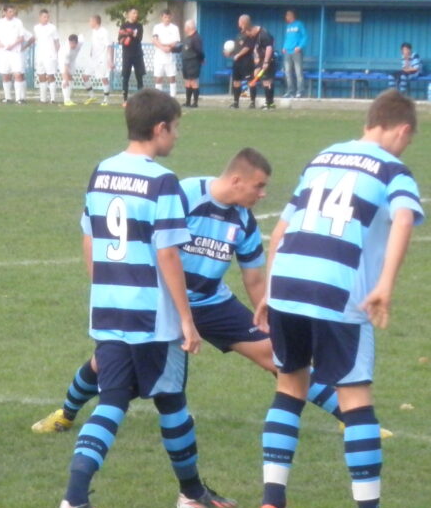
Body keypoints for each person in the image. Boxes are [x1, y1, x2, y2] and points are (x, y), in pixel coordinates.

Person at [33, 150, 386, 438]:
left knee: (277, 353)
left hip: (212, 302)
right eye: (259, 186)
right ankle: (66, 413)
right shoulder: (184, 195)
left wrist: (269, 317)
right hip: (163, 301)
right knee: (105, 363)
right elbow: (156, 248)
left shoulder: (244, 220)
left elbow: (254, 278)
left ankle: (348, 417)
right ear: (236, 180)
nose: (263, 194)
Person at [57, 88, 236, 508]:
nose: (177, 136)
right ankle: (191, 493)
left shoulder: (102, 171)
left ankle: (74, 498)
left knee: (112, 399)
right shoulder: (162, 181)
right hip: (151, 315)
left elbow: (89, 238)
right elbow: (168, 253)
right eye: (175, 128)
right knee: (171, 397)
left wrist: (105, 286)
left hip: (108, 306)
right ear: (160, 129)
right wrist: (187, 320)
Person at [254, 89, 423, 508]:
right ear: (402, 130)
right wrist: (385, 284)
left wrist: (270, 290)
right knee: (355, 398)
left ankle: (272, 506)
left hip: (287, 282)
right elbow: (405, 217)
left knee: (289, 387)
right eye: (409, 140)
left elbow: (280, 232)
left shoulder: (323, 157)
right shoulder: (393, 169)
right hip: (337, 290)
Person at [0, 5, 26, 104]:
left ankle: (18, 98)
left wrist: (12, 45)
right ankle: (7, 97)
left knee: (17, 74)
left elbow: (21, 38)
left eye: (13, 11)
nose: (12, 13)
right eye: (10, 11)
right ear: (4, 12)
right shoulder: (0, 22)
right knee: (5, 75)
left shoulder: (18, 22)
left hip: (15, 52)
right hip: (4, 53)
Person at [82, 15, 113, 106]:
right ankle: (92, 96)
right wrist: (91, 52)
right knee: (85, 76)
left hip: (102, 58)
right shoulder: (93, 31)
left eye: (90, 21)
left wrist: (109, 60)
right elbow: (94, 44)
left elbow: (109, 46)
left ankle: (106, 99)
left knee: (103, 78)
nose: (89, 23)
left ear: (95, 22)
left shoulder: (104, 32)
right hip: (93, 59)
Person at [247, 20, 277, 110]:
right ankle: (270, 103)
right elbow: (257, 49)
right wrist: (257, 59)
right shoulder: (256, 36)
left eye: (249, 33)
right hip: (262, 61)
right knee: (264, 81)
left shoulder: (264, 34)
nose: (250, 36)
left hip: (268, 61)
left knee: (267, 81)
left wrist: (266, 62)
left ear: (252, 30)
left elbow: (269, 48)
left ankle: (269, 104)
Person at [118, 7, 145, 106]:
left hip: (137, 54)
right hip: (127, 55)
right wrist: (126, 36)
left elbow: (139, 38)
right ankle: (125, 100)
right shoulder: (123, 25)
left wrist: (132, 34)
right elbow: (120, 40)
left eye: (136, 13)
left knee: (139, 77)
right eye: (133, 13)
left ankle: (141, 100)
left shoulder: (139, 26)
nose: (135, 15)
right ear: (129, 14)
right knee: (125, 77)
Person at [33, 9, 60, 104]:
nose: (46, 18)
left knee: (50, 76)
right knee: (41, 76)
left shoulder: (52, 28)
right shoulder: (36, 28)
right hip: (40, 55)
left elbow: (57, 41)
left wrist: (56, 54)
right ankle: (43, 99)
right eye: (44, 17)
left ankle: (52, 99)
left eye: (47, 17)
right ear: (40, 17)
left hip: (50, 55)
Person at [230, 14, 257, 109]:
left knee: (251, 81)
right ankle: (236, 102)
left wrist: (239, 55)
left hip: (246, 61)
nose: (238, 22)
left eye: (239, 21)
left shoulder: (249, 34)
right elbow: (237, 47)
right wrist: (230, 53)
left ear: (243, 22)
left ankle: (252, 102)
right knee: (236, 81)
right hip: (237, 62)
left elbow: (247, 47)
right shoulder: (239, 34)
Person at [152, 9, 181, 98]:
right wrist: (162, 47)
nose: (167, 19)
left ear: (171, 17)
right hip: (159, 56)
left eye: (168, 17)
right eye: (165, 17)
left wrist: (168, 47)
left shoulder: (174, 28)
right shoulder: (157, 27)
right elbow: (154, 40)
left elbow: (176, 41)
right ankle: (158, 97)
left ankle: (173, 97)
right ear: (162, 17)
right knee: (158, 77)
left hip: (170, 56)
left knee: (171, 77)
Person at [282, 9, 307, 98]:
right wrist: (284, 47)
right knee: (287, 72)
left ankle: (300, 91)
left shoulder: (299, 24)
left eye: (287, 15)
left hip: (296, 52)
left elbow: (305, 36)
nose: (286, 17)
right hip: (287, 52)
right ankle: (290, 91)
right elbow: (287, 38)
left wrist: (300, 46)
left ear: (292, 15)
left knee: (298, 72)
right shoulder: (288, 26)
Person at [181, 19, 205, 108]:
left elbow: (199, 51)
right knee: (187, 81)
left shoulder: (196, 38)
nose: (184, 28)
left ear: (189, 27)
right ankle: (187, 102)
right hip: (186, 62)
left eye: (185, 26)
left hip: (193, 62)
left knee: (193, 81)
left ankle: (195, 102)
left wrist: (202, 59)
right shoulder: (187, 38)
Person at [59, 34, 83, 106]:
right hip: (62, 59)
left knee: (71, 78)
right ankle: (66, 100)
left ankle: (68, 98)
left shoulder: (81, 42)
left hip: (72, 60)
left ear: (77, 43)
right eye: (70, 43)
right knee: (66, 77)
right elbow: (65, 67)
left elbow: (81, 36)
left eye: (73, 43)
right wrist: (66, 80)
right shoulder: (66, 51)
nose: (71, 45)